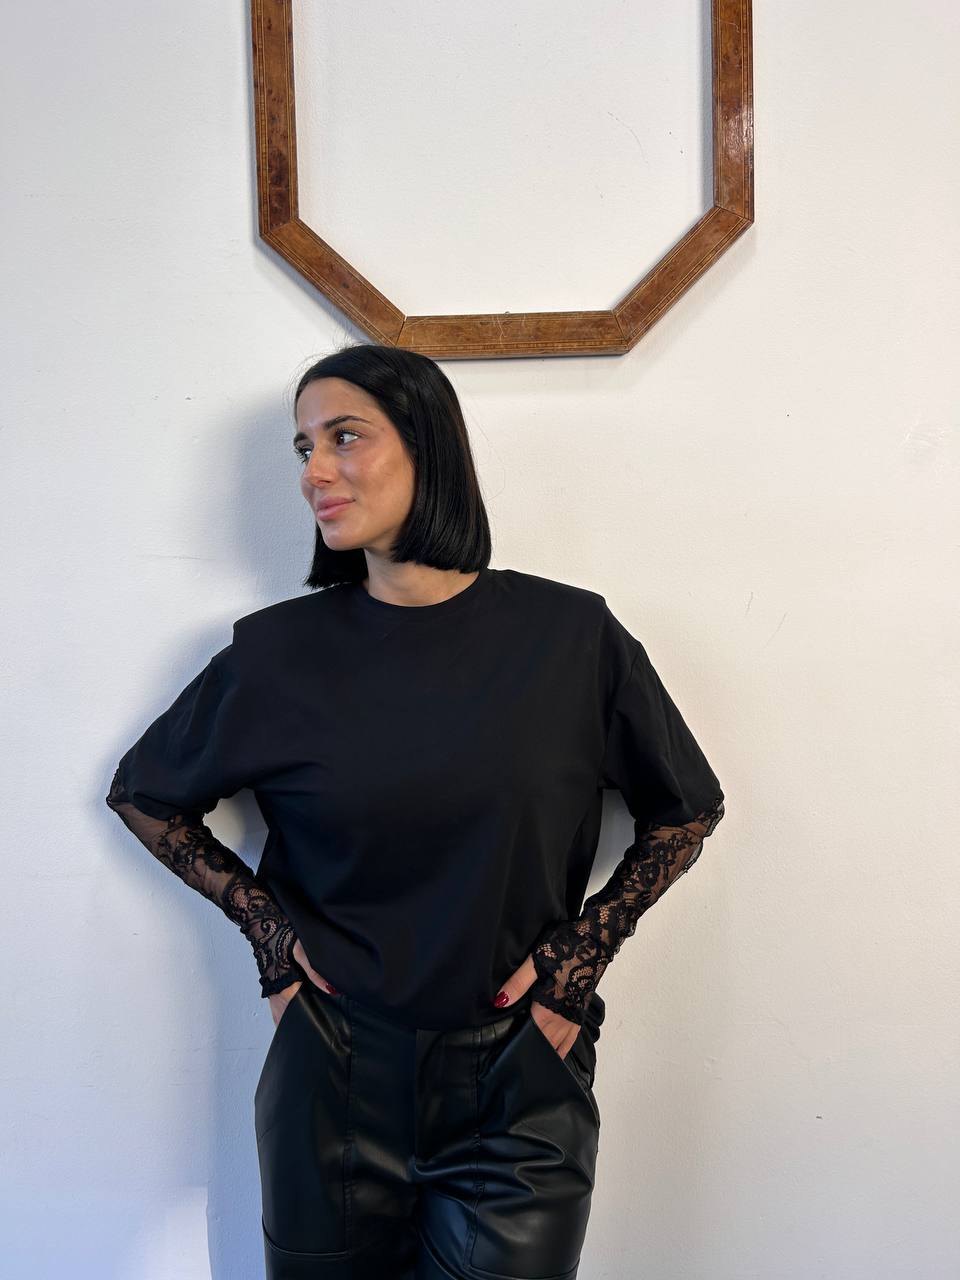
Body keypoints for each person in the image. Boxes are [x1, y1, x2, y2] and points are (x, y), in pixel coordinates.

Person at [105, 343, 726, 1279]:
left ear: (427, 445)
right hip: (331, 1077)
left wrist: (577, 961)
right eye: (304, 446)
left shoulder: (571, 638)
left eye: (344, 437)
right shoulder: (276, 654)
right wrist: (271, 939)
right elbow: (146, 795)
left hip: (518, 1084)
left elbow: (686, 808)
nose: (314, 470)